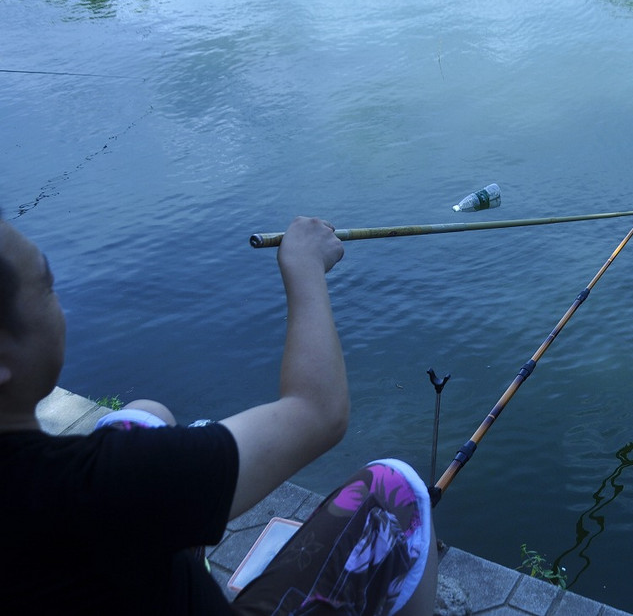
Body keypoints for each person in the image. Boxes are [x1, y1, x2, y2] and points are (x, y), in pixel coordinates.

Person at [0, 213, 438, 615]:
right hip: (114, 529)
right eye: (47, 285)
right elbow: (318, 412)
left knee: (144, 415)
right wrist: (304, 266)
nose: (60, 302)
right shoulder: (99, 486)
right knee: (394, 491)